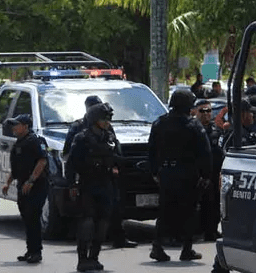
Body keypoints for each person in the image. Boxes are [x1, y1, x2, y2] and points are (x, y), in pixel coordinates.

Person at [62, 95, 137, 249]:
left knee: (110, 212)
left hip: (106, 178)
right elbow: (69, 156)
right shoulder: (79, 130)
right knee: (87, 217)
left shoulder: (107, 129)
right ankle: (85, 251)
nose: (106, 120)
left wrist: (117, 165)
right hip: (88, 178)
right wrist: (72, 182)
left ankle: (116, 239)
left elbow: (115, 149)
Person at [148, 90, 211, 262]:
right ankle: (187, 249)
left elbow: (151, 150)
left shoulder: (159, 123)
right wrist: (206, 175)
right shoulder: (193, 125)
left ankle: (157, 246)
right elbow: (205, 152)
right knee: (189, 211)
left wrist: (154, 171)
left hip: (166, 173)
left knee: (164, 211)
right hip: (187, 174)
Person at [66, 103, 119, 272]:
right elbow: (71, 163)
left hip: (106, 183)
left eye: (109, 119)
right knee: (86, 221)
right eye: (104, 119)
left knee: (103, 222)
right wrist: (72, 184)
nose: (107, 122)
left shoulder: (109, 137)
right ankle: (83, 259)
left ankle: (94, 257)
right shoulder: (82, 138)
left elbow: (118, 157)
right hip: (87, 184)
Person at [2, 114, 48, 264]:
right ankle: (30, 250)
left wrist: (31, 181)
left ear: (25, 126)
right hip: (23, 184)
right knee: (27, 218)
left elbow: (42, 161)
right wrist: (7, 183)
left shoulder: (35, 141)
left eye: (17, 125)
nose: (14, 128)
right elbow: (16, 168)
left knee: (33, 217)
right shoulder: (19, 143)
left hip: (36, 185)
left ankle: (36, 252)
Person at [193, 99, 222, 242]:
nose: (206, 114)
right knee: (200, 204)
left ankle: (212, 231)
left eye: (208, 111)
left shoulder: (216, 130)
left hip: (215, 172)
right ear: (195, 112)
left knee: (215, 203)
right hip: (198, 173)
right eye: (202, 111)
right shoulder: (193, 129)